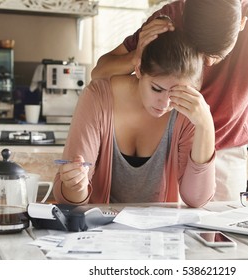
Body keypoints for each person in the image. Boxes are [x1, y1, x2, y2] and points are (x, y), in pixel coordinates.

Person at [91, 0, 248, 201]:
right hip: (170, 150)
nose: (208, 64)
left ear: (241, 23)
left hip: (225, 148)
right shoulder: (170, 18)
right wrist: (136, 55)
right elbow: (100, 72)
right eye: (201, 53)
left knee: (222, 237)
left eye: (216, 56)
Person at [53, 30, 216, 207]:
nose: (165, 103)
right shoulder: (97, 97)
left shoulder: (186, 112)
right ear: (138, 70)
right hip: (99, 231)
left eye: (177, 94)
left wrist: (205, 125)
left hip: (160, 232)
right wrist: (76, 185)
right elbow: (67, 200)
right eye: (156, 89)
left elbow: (196, 199)